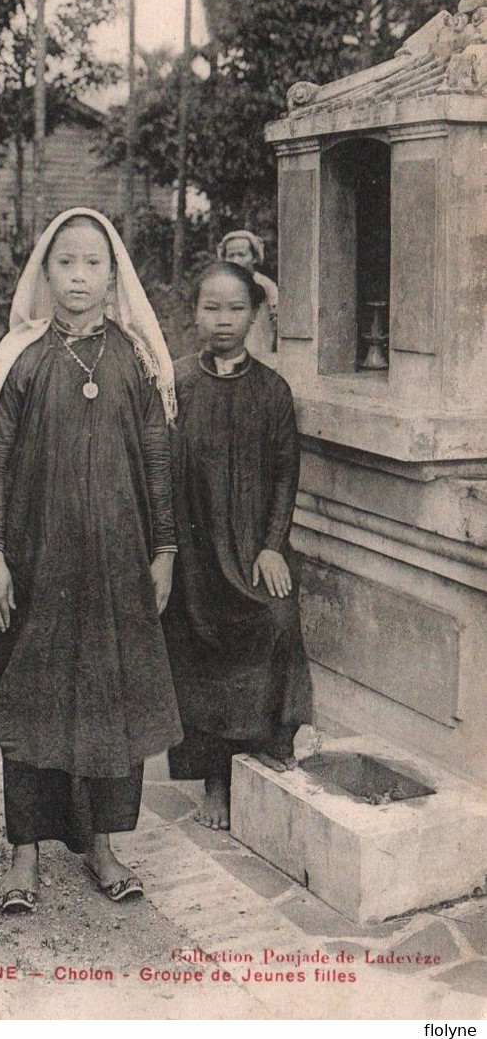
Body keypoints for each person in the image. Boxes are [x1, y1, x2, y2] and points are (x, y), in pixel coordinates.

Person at [0, 207, 182, 912]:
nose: (78, 276)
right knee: (29, 695)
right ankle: (24, 852)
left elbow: (157, 457)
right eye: (64, 262)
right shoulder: (24, 357)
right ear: (45, 271)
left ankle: (101, 842)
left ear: (112, 274)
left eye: (92, 263)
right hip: (38, 564)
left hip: (119, 564)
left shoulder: (134, 358)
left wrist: (164, 549)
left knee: (111, 695)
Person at [162, 260, 312, 832]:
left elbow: (284, 472)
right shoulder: (175, 384)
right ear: (194, 312)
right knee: (199, 638)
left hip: (253, 543)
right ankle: (215, 778)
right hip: (197, 549)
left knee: (276, 617)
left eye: (234, 308)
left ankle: (272, 749)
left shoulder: (273, 391)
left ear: (253, 315)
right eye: (211, 307)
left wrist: (273, 545)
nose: (223, 319)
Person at [218, 229, 279, 359]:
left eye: (241, 254)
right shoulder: (219, 287)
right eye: (231, 255)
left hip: (259, 355)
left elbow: (279, 321)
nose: (235, 260)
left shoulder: (266, 285)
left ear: (254, 257)